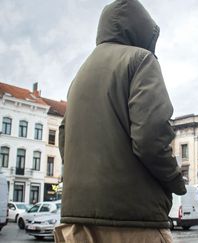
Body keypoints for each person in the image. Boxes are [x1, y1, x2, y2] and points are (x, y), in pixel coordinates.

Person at [54, 0, 186, 242]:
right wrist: (175, 179)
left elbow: (64, 139)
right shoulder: (140, 60)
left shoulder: (79, 75)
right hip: (132, 220)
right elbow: (150, 138)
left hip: (76, 224)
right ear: (143, 30)